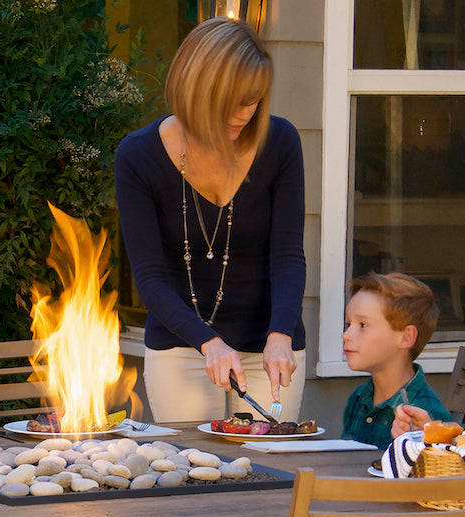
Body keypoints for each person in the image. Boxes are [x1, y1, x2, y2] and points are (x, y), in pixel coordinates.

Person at [114, 16, 306, 424]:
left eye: (253, 100)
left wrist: (281, 336)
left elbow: (288, 255)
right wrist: (209, 343)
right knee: (190, 474)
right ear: (196, 92)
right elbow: (149, 277)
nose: (243, 114)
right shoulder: (137, 156)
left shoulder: (282, 142)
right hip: (180, 347)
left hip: (270, 346)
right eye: (232, 103)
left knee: (266, 473)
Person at [341, 271, 451, 450]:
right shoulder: (358, 399)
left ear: (406, 337)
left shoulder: (426, 414)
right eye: (348, 324)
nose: (346, 335)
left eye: (363, 325)